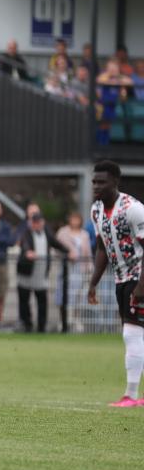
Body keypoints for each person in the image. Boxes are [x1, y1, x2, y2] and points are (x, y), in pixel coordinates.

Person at [87, 161, 144, 406]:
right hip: (121, 279)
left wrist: (141, 286)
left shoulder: (133, 209)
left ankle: (130, 395)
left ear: (115, 182)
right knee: (136, 334)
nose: (96, 186)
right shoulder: (96, 211)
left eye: (101, 182)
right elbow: (102, 247)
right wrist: (93, 282)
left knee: (131, 333)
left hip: (139, 276)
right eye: (94, 182)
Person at [17, 212, 69, 333]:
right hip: (27, 273)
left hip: (41, 274)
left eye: (39, 222)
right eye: (35, 222)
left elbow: (56, 244)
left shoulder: (47, 234)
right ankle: (27, 325)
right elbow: (25, 244)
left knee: (42, 302)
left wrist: (68, 251)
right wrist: (28, 252)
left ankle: (41, 327)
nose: (38, 224)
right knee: (24, 302)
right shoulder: (26, 233)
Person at [56, 212, 92, 332]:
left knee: (78, 297)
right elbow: (57, 248)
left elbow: (88, 253)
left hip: (79, 270)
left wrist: (89, 268)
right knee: (63, 295)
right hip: (66, 268)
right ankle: (63, 320)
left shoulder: (84, 235)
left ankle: (76, 319)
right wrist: (67, 255)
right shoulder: (62, 232)